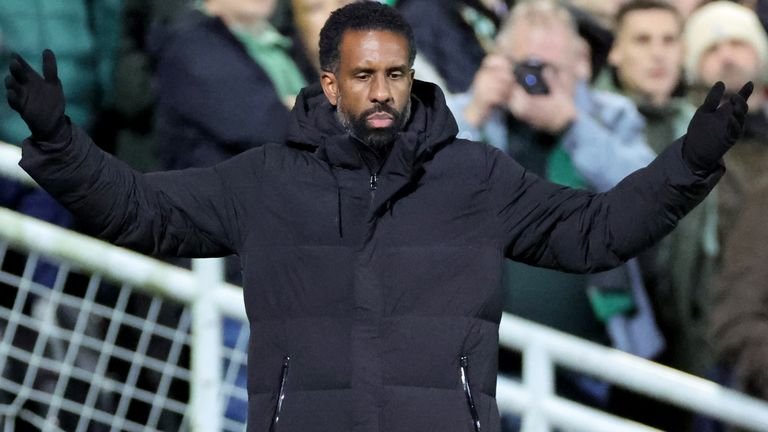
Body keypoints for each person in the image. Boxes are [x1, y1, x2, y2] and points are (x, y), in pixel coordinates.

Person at [3, 2, 752, 431]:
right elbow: (143, 212)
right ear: (329, 83)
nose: (383, 91)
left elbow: (597, 233)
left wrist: (689, 160)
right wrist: (59, 144)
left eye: (396, 73)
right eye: (363, 75)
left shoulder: (475, 176)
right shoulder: (266, 179)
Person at [450, 0, 662, 417]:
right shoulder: (466, 112)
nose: (537, 81)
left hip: (594, 363)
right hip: (476, 359)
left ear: (579, 65)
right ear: (501, 61)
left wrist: (571, 123)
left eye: (553, 69)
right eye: (527, 66)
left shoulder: (608, 115)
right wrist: (475, 112)